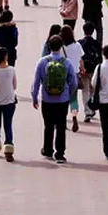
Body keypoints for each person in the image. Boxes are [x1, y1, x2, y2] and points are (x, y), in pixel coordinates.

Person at [31, 34, 77, 164]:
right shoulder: (66, 62)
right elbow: (73, 81)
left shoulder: (42, 62)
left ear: (49, 46)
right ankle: (60, 153)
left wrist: (34, 97)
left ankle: (48, 149)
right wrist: (68, 93)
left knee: (48, 125)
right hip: (62, 100)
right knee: (61, 126)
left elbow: (36, 82)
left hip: (47, 99)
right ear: (61, 47)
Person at [78, 22, 102, 123]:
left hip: (84, 69)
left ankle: (88, 111)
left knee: (85, 90)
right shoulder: (97, 43)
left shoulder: (79, 43)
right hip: (94, 69)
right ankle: (92, 108)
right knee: (93, 89)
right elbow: (100, 57)